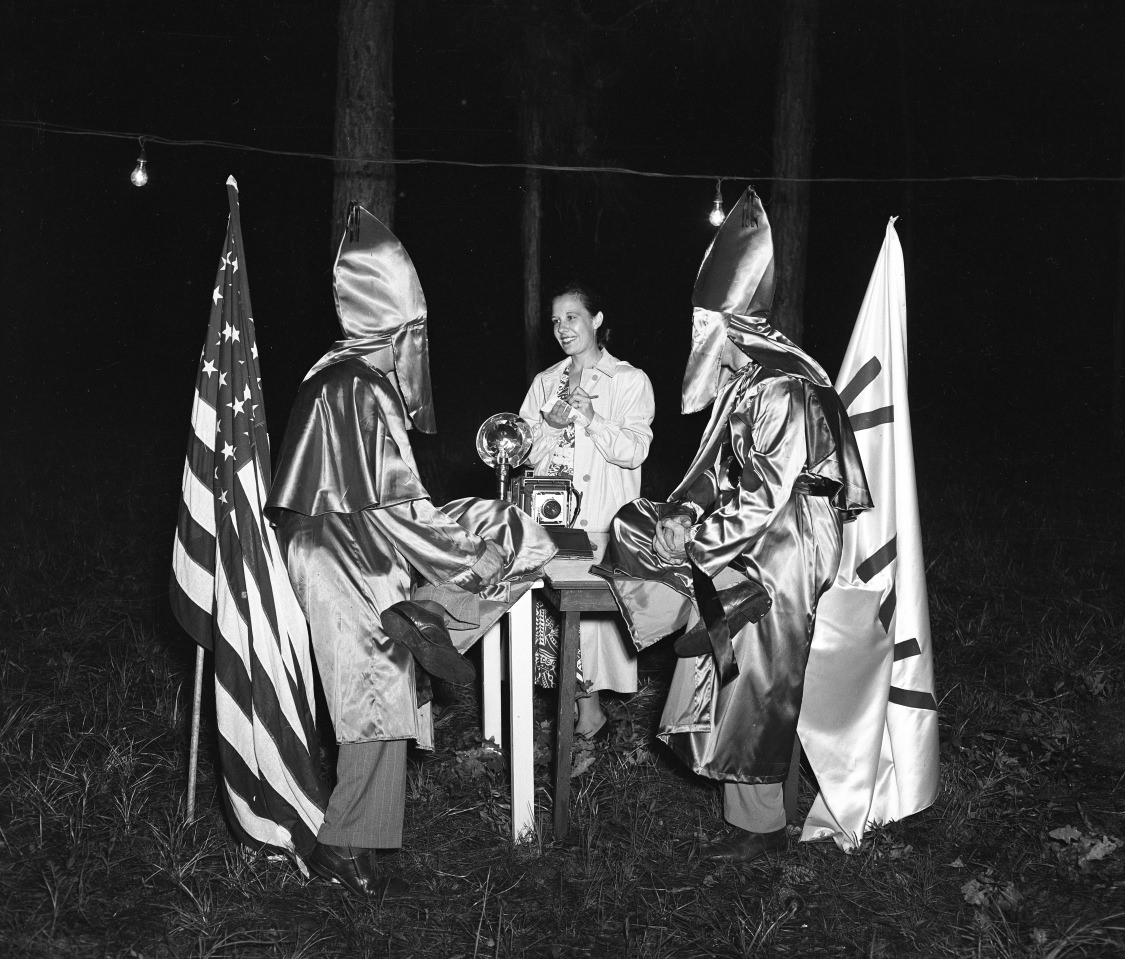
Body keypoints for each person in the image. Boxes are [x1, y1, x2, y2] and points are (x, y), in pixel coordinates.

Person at [266, 205, 556, 902]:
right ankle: (343, 848)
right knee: (374, 692)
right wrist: (467, 560)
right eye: (412, 336)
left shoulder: (333, 371)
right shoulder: (361, 386)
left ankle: (367, 835)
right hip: (344, 556)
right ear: (395, 330)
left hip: (352, 544)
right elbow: (398, 506)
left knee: (393, 675)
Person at [594, 188, 872, 862]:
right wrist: (683, 514)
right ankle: (671, 623)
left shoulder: (781, 384)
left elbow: (768, 495)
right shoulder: (748, 380)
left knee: (754, 670)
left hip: (787, 543)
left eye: (704, 326)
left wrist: (702, 545)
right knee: (635, 522)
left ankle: (760, 831)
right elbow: (719, 471)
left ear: (731, 325)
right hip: (755, 530)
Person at [518, 283, 655, 738]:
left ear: (596, 321)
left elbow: (634, 450)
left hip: (597, 521)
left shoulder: (629, 380)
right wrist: (552, 429)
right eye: (556, 321)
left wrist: (590, 418)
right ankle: (582, 714)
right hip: (550, 520)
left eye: (572, 317)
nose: (562, 328)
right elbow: (527, 454)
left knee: (588, 629)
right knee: (551, 619)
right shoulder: (544, 382)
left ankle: (586, 719)